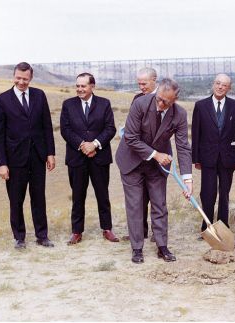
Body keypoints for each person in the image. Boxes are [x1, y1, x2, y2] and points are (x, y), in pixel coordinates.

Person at [115, 78, 192, 264]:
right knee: (135, 205)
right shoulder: (140, 104)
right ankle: (137, 248)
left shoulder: (180, 114)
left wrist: (188, 180)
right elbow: (131, 138)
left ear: (174, 100)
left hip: (157, 167)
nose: (160, 103)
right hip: (131, 161)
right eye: (159, 98)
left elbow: (182, 146)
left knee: (160, 204)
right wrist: (156, 154)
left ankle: (162, 246)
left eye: (165, 102)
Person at [0, 62, 56, 249]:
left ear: (31, 78)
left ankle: (42, 236)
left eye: (25, 79)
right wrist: (1, 163)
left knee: (39, 197)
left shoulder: (39, 95)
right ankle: (19, 237)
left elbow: (47, 127)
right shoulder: (2, 100)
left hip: (37, 157)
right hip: (14, 160)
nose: (21, 82)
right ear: (13, 76)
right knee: (16, 199)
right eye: (18, 78)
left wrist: (50, 153)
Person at [60, 73, 119, 245]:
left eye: (83, 86)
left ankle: (107, 229)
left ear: (92, 86)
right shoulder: (68, 105)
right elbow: (65, 130)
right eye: (77, 86)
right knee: (78, 196)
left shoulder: (104, 103)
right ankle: (77, 231)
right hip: (76, 159)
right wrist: (82, 145)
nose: (79, 89)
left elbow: (110, 129)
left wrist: (94, 144)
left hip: (99, 158)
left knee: (103, 195)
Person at [191, 73, 235, 239]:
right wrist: (196, 159)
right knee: (207, 194)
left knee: (224, 194)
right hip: (207, 158)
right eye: (218, 83)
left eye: (224, 85)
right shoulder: (201, 105)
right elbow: (196, 133)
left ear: (229, 88)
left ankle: (223, 227)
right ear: (213, 84)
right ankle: (206, 227)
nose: (220, 87)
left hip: (228, 158)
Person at [122, 67, 158, 242]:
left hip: (156, 157)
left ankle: (157, 234)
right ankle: (139, 232)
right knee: (139, 199)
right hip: (137, 157)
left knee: (156, 198)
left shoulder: (164, 97)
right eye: (139, 84)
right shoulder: (137, 99)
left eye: (144, 83)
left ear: (154, 80)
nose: (141, 87)